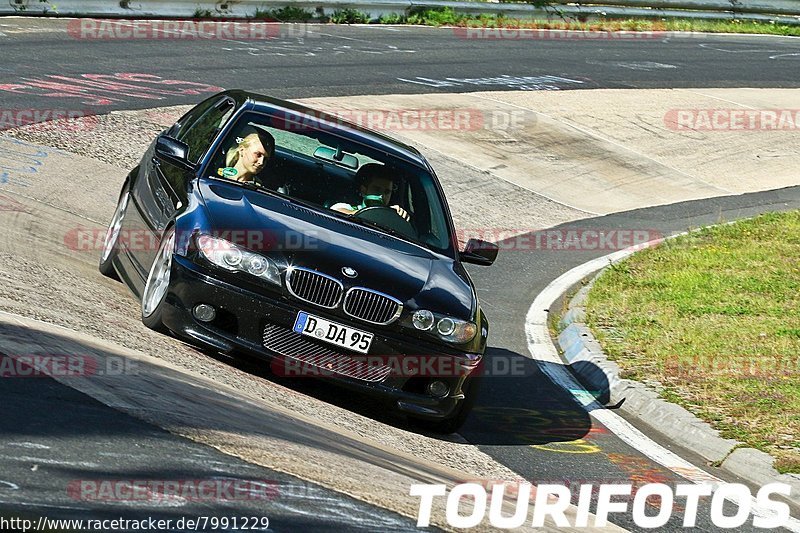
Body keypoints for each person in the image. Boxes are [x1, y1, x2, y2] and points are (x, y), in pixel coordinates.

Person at [330, 163, 410, 221]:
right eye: (377, 190)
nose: (382, 196)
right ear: (364, 190)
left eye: (387, 192)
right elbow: (335, 212)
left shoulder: (392, 216)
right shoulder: (345, 207)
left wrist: (397, 217)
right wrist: (374, 213)